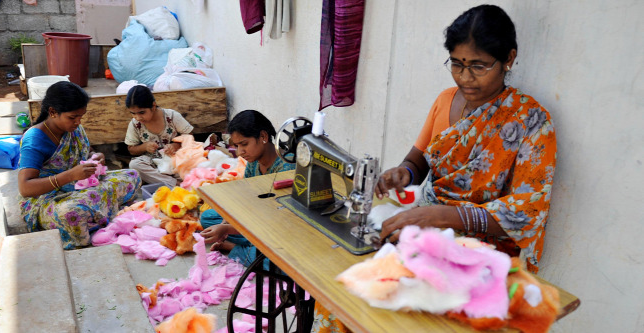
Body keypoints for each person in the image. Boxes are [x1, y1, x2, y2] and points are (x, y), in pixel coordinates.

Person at [313, 5, 557, 332]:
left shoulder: (531, 122)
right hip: (425, 229)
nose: (465, 77)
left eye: (479, 66)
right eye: (457, 64)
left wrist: (440, 216)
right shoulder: (445, 99)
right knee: (344, 294)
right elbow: (420, 160)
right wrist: (403, 173)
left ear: (509, 58)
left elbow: (527, 212)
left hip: (477, 254)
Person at [18, 81, 142, 250]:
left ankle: (95, 215)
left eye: (80, 116)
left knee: (132, 175)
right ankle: (97, 217)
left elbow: (86, 151)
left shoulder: (72, 129)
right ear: (53, 112)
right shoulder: (35, 139)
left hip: (79, 186)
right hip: (47, 197)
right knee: (71, 213)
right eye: (72, 117)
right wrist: (69, 176)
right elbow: (25, 188)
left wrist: (95, 157)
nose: (78, 122)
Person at [199, 109, 295, 266]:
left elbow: (276, 222)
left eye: (244, 144)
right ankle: (250, 248)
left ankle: (237, 249)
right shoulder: (253, 164)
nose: (240, 152)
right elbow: (245, 202)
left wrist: (226, 230)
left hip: (279, 229)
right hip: (256, 223)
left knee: (276, 263)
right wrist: (225, 224)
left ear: (263, 137)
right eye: (237, 146)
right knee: (209, 217)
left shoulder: (287, 167)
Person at [124, 85, 194, 187]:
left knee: (194, 165)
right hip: (153, 161)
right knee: (134, 165)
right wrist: (145, 146)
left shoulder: (171, 116)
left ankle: (165, 181)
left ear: (153, 106)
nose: (138, 117)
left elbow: (189, 136)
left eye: (142, 112)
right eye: (133, 113)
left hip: (175, 158)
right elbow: (131, 149)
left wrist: (176, 146)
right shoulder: (135, 124)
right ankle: (175, 184)